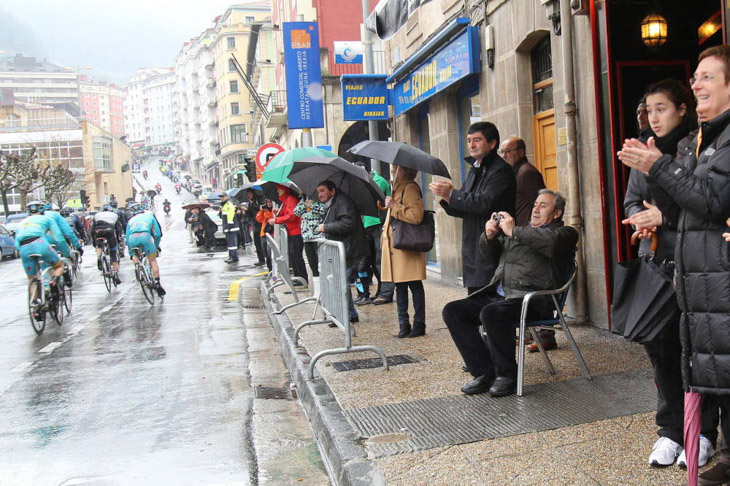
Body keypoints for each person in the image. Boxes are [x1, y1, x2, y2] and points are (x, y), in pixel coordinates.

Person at [618, 45, 730, 485]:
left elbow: (707, 200)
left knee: (708, 355)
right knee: (677, 351)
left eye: (707, 77)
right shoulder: (706, 139)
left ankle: (701, 434)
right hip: (679, 265)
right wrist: (642, 215)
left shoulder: (694, 144)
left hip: (703, 267)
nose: (697, 82)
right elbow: (702, 205)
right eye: (649, 110)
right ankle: (675, 428)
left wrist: (661, 194)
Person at [442, 190, 578, 397]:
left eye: (543, 205)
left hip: (533, 300)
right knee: (453, 311)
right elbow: (490, 256)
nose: (535, 209)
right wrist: (489, 236)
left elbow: (550, 245)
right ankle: (485, 373)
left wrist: (513, 231)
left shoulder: (564, 234)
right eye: (535, 204)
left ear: (557, 213)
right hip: (501, 295)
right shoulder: (519, 232)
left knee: (492, 313)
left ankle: (506, 376)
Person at [429, 121, 516, 293]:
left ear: (492, 143)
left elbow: (484, 203)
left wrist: (453, 194)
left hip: (492, 245)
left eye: (477, 140)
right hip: (473, 244)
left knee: (489, 301)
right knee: (474, 301)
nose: (471, 145)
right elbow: (466, 206)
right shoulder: (475, 169)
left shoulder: (501, 170)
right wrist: (447, 197)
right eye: (469, 140)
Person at [498, 136, 552, 350]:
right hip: (518, 235)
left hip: (528, 236)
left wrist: (533, 231)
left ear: (521, 151)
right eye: (502, 152)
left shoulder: (527, 172)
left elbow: (540, 204)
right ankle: (531, 333)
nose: (505, 156)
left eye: (508, 151)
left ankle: (547, 335)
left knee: (536, 284)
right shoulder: (514, 172)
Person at [381, 165, 427, 338]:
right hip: (396, 247)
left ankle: (419, 324)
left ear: (404, 170)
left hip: (407, 245)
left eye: (395, 168)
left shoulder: (410, 188)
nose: (393, 171)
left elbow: (416, 216)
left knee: (414, 284)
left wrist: (395, 206)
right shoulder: (396, 188)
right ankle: (403, 324)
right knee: (399, 286)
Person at [316, 180, 368, 324]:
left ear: (332, 191)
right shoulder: (334, 203)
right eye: (318, 191)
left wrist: (326, 227)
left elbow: (348, 223)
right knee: (339, 281)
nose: (319, 194)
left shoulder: (343, 202)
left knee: (340, 282)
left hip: (350, 249)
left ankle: (344, 315)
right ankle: (349, 314)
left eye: (322, 190)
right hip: (344, 249)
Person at [15, 213, 67, 310]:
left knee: (32, 278)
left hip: (24, 249)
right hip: (40, 244)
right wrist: (66, 253)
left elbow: (16, 244)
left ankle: (35, 304)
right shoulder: (47, 219)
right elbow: (59, 238)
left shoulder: (21, 224)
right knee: (58, 266)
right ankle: (53, 281)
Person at [269, 185, 308, 287]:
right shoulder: (286, 200)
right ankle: (298, 277)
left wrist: (276, 220)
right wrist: (278, 213)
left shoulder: (290, 199)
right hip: (292, 231)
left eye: (279, 188)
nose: (277, 191)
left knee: (296, 255)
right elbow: (287, 214)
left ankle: (302, 277)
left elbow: (291, 216)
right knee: (294, 255)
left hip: (296, 231)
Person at [126, 209, 166, 296]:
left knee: (135, 255)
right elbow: (157, 234)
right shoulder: (150, 217)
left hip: (132, 238)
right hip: (145, 236)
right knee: (152, 260)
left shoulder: (131, 220)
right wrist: (155, 246)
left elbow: (127, 237)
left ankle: (138, 267)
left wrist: (131, 253)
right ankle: (157, 282)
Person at [370, 167, 395, 305]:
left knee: (381, 261)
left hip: (378, 223)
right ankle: (380, 290)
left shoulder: (379, 181)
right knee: (374, 262)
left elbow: (374, 198)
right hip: (368, 224)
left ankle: (386, 292)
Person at [293, 197, 325, 282]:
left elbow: (323, 211)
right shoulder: (303, 200)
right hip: (306, 237)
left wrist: (312, 205)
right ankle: (316, 285)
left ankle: (322, 283)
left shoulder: (319, 200)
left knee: (320, 264)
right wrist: (304, 204)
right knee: (312, 263)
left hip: (318, 236)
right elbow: (296, 212)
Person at [91, 204, 123, 285]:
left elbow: (92, 229)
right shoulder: (115, 215)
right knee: (113, 252)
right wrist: (119, 240)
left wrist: (94, 242)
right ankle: (115, 274)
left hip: (98, 229)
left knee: (99, 244)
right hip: (109, 230)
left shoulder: (97, 215)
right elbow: (118, 229)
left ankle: (99, 257)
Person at [245, 190, 267, 266]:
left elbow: (261, 208)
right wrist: (246, 210)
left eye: (249, 194)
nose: (248, 196)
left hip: (262, 224)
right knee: (257, 243)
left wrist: (253, 204)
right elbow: (251, 214)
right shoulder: (251, 203)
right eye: (247, 194)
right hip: (255, 224)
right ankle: (261, 259)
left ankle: (266, 258)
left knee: (264, 243)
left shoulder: (259, 200)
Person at [255, 198, 276, 271]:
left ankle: (273, 269)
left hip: (272, 234)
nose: (269, 204)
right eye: (268, 202)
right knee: (266, 253)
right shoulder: (264, 211)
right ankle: (269, 269)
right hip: (264, 233)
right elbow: (258, 219)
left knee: (270, 253)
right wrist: (261, 210)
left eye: (270, 202)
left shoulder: (274, 210)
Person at [219, 193, 239, 263]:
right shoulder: (224, 205)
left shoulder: (228, 204)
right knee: (230, 243)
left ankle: (234, 257)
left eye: (223, 196)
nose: (222, 198)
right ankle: (231, 256)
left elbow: (230, 216)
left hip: (231, 227)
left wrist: (229, 226)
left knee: (232, 243)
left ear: (226, 197)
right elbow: (223, 217)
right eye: (221, 197)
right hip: (228, 227)